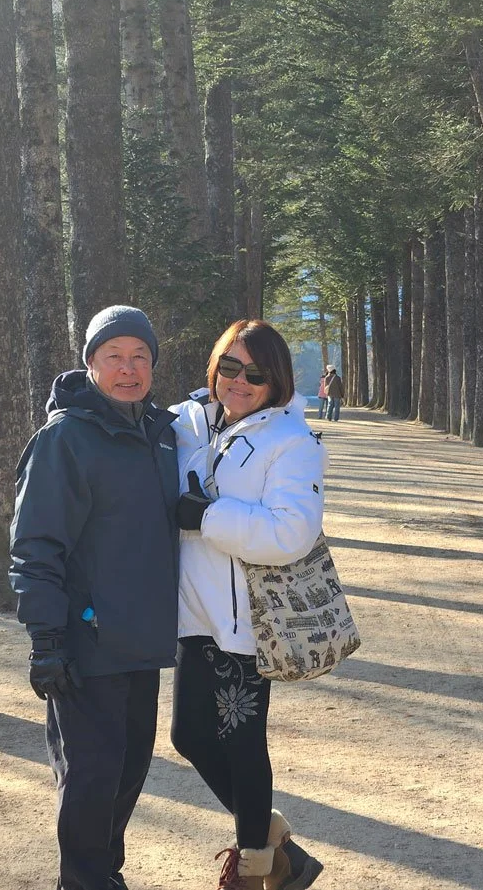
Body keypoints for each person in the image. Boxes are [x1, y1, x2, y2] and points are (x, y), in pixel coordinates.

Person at [9, 305, 179, 890]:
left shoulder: (158, 434)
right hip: (86, 643)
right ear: (90, 364)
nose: (128, 369)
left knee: (128, 771)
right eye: (114, 357)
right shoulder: (65, 439)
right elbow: (35, 547)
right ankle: (83, 881)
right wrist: (47, 641)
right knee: (90, 778)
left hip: (142, 640)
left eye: (140, 357)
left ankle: (105, 874)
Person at [170, 319, 326, 890]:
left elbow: (292, 533)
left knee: (241, 743)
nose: (239, 381)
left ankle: (256, 868)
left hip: (246, 624)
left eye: (254, 373)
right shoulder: (191, 424)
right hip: (194, 615)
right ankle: (274, 840)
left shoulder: (292, 442)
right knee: (188, 737)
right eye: (229, 367)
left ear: (276, 381)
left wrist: (206, 517)